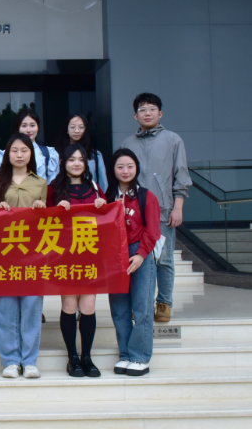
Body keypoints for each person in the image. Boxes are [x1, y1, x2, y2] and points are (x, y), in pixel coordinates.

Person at [121, 93, 191, 324]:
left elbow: (181, 175)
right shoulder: (127, 144)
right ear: (135, 115)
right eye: (142, 110)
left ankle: (164, 303)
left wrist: (178, 206)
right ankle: (142, 304)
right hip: (133, 213)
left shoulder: (173, 140)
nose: (147, 113)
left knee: (164, 259)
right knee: (137, 258)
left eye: (152, 109)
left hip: (162, 211)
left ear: (160, 113)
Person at [0, 133, 48, 380]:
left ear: (31, 154)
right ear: (7, 154)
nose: (19, 155)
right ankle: (10, 361)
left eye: (24, 150)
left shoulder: (41, 183)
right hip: (5, 253)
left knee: (32, 306)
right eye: (14, 150)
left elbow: (50, 222)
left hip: (33, 253)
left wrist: (42, 209)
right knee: (6, 308)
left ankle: (30, 360)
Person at [47, 144, 107, 379]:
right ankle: (72, 356)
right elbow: (43, 220)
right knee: (69, 305)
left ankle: (87, 357)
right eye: (71, 159)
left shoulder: (95, 188)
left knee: (88, 306)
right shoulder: (54, 188)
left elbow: (108, 219)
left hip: (90, 252)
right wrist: (56, 210)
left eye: (81, 159)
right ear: (63, 163)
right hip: (65, 254)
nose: (76, 164)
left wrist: (103, 207)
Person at [107, 148, 161, 377]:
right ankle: (126, 355)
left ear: (136, 168)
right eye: (120, 166)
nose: (125, 171)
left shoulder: (146, 196)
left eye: (130, 166)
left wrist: (140, 254)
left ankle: (140, 357)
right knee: (119, 309)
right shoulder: (107, 197)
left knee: (142, 308)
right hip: (114, 255)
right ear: (113, 169)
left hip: (139, 253)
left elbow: (153, 230)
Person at [0, 109, 59, 184]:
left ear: (38, 127)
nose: (28, 130)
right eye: (24, 126)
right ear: (18, 128)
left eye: (32, 125)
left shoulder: (49, 153)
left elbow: (52, 184)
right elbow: (0, 183)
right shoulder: (5, 155)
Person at [56, 114, 108, 193]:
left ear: (86, 130)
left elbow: (103, 184)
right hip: (65, 196)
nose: (77, 131)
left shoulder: (95, 155)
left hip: (91, 197)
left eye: (81, 127)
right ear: (67, 130)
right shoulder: (57, 154)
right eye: (73, 127)